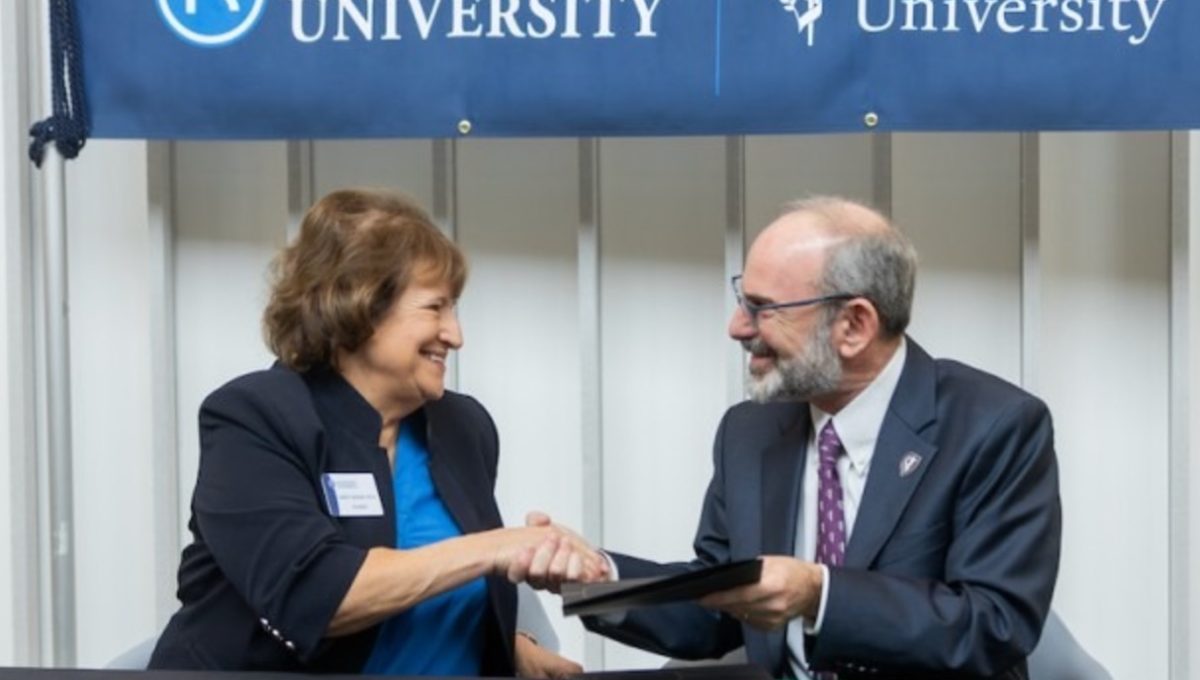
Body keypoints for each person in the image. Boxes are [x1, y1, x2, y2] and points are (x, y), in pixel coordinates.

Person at [579, 196, 1061, 679]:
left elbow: (993, 626)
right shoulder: (749, 431)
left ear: (854, 325)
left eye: (763, 308)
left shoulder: (995, 426)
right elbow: (719, 608)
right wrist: (595, 578)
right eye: (742, 301)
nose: (737, 327)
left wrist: (819, 594)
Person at [149, 188, 605, 677]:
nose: (455, 335)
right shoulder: (254, 418)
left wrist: (514, 648)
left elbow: (442, 589)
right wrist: (497, 545)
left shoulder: (463, 428)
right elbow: (317, 598)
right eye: (435, 308)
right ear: (360, 308)